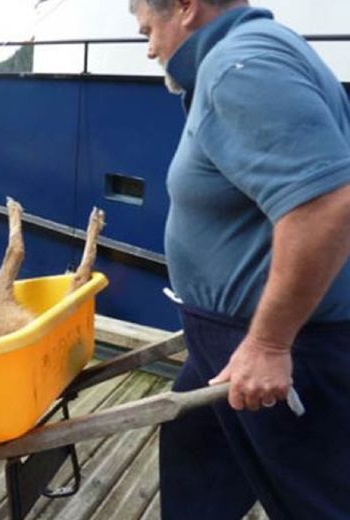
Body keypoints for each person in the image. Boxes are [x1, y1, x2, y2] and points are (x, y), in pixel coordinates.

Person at [128, 0, 350, 518]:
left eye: (147, 31)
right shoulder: (246, 55)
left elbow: (324, 205)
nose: (149, 50)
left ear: (184, 7)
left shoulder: (239, 67)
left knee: (318, 502)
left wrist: (270, 343)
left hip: (288, 348)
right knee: (195, 462)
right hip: (222, 343)